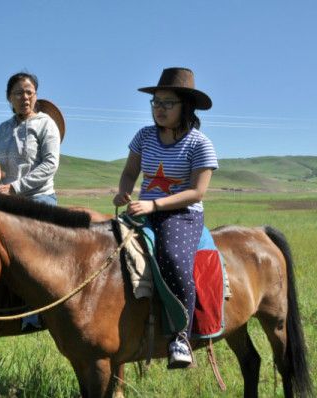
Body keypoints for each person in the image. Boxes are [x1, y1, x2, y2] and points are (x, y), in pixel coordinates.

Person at [113, 67, 218, 368]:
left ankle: (180, 337)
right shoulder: (145, 136)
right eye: (155, 102)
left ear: (185, 106)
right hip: (144, 209)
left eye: (167, 103)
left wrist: (154, 205)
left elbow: (197, 192)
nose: (159, 108)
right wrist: (123, 192)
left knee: (172, 256)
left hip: (182, 214)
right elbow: (130, 172)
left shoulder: (200, 143)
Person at [0, 72, 61, 206]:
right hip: (7, 199)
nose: (25, 97)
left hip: (38, 198)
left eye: (29, 92)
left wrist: (15, 187)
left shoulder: (46, 124)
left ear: (35, 96)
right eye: (19, 93)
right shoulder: (4, 128)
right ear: (9, 98)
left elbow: (50, 164)